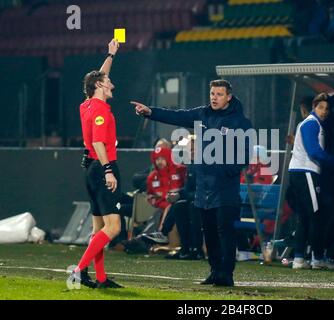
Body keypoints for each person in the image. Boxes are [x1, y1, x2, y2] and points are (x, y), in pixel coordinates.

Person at [132, 79, 253, 286]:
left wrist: (225, 171)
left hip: (225, 187)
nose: (214, 98)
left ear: (228, 97)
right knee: (209, 232)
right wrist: (150, 112)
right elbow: (177, 115)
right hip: (203, 187)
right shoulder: (203, 114)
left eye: (219, 94)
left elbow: (244, 156)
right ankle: (215, 271)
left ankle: (227, 274)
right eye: (212, 94)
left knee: (225, 231)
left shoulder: (240, 122)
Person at [67, 39, 123, 289]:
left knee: (98, 227)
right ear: (99, 86)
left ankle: (100, 278)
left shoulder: (86, 104)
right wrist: (109, 170)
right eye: (108, 82)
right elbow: (100, 143)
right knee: (113, 228)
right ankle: (78, 271)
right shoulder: (101, 110)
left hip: (90, 169)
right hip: (103, 168)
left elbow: (99, 79)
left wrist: (110, 55)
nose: (112, 83)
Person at [287, 93, 334, 270]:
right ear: (313, 107)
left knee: (303, 217)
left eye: (326, 109)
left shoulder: (309, 123)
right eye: (321, 107)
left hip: (298, 172)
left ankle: (299, 258)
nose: (324, 111)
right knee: (316, 216)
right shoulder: (312, 123)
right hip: (306, 172)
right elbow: (314, 151)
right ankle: (317, 259)